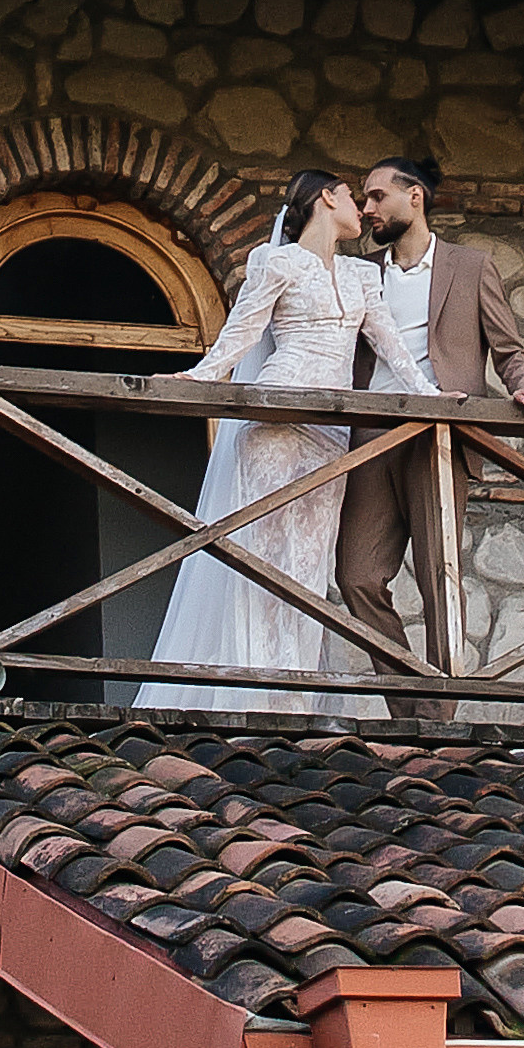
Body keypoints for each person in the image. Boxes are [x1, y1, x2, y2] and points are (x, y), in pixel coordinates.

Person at [133, 172, 424, 716]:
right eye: (350, 195)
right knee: (260, 562)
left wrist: (431, 394)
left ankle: (289, 702)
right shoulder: (276, 263)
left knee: (308, 569)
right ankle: (252, 700)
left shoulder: (363, 275)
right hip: (273, 416)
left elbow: (390, 347)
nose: (361, 207)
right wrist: (202, 376)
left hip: (330, 432)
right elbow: (242, 332)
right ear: (324, 198)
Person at [337, 157, 524, 714]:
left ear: (416, 199)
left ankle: (438, 719)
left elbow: (506, 348)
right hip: (370, 438)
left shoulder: (471, 266)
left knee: (440, 579)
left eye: (378, 196)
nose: (367, 209)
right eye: (364, 199)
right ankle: (411, 707)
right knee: (357, 576)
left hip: (439, 438)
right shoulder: (362, 272)